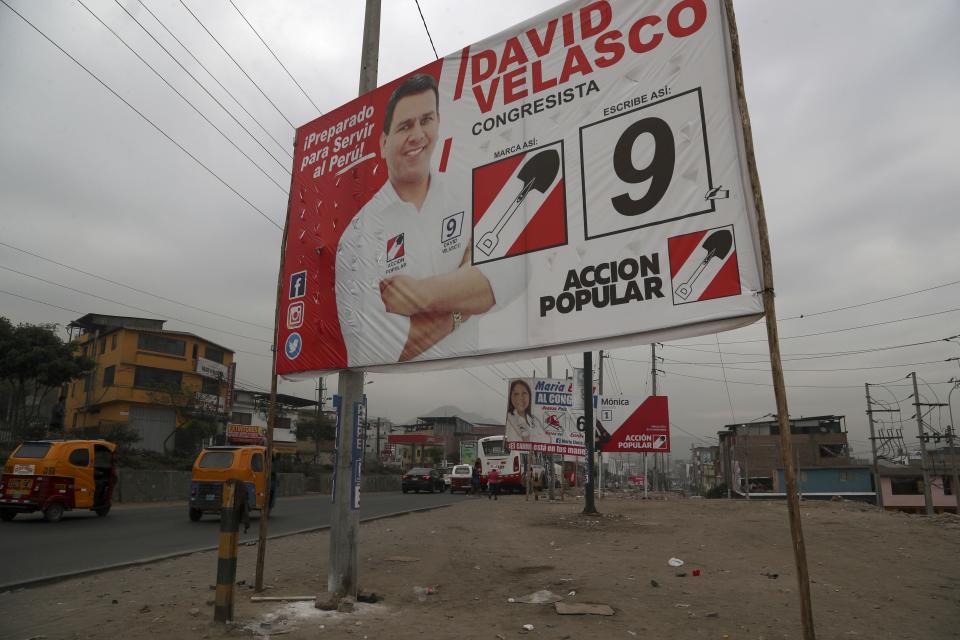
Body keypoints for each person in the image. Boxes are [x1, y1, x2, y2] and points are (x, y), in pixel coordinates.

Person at [335, 73, 522, 366]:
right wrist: (467, 290)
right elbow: (379, 348)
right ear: (384, 143)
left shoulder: (468, 191)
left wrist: (422, 295)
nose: (418, 134)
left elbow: (515, 269)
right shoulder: (358, 236)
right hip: (397, 388)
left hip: (474, 371)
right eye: (405, 126)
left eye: (427, 120)